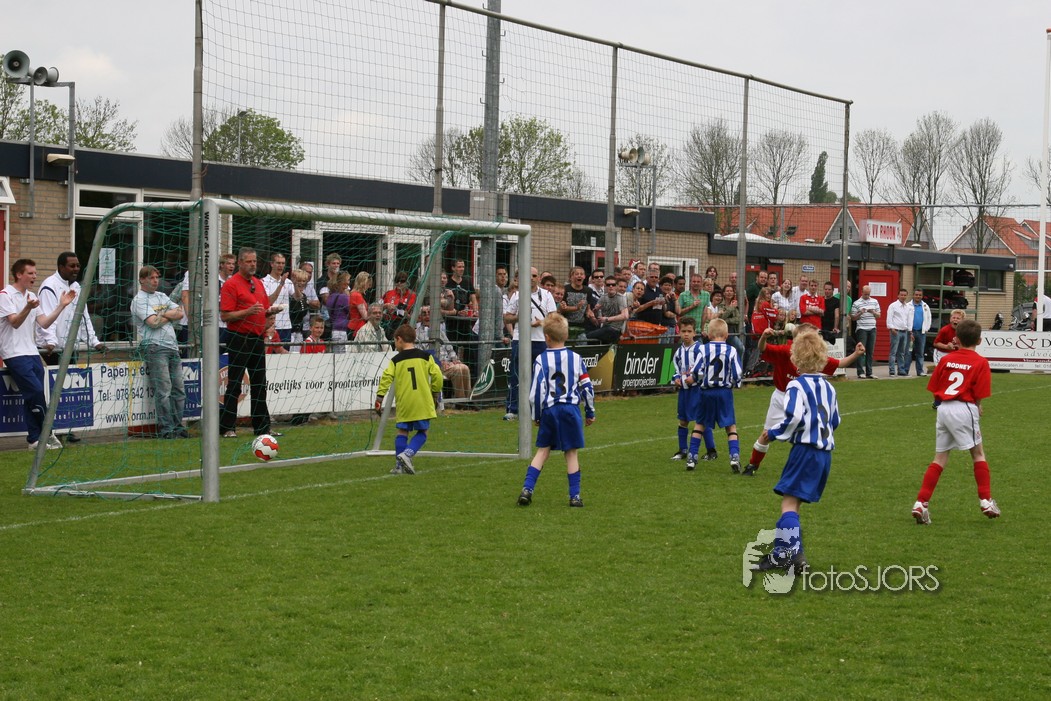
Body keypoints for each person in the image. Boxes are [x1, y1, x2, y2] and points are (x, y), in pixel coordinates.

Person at [751, 331, 841, 575]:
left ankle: (789, 555)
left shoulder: (796, 385)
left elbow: (794, 417)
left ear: (795, 358)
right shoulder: (829, 388)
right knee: (794, 503)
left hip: (805, 451)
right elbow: (835, 421)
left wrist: (774, 433)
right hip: (825, 454)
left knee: (788, 503)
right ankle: (788, 555)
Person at [911, 319, 1000, 525]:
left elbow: (935, 387)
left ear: (956, 339)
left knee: (940, 458)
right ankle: (986, 501)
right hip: (964, 407)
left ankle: (921, 503)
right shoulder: (980, 362)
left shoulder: (946, 360)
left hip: (944, 408)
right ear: (979, 340)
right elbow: (979, 392)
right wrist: (977, 406)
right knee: (978, 454)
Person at [742, 325, 863, 476]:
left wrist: (856, 354)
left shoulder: (814, 357)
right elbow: (763, 348)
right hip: (781, 397)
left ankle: (805, 463)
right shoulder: (786, 351)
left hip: (804, 397)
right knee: (766, 434)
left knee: (804, 434)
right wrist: (763, 337)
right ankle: (753, 464)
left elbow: (839, 364)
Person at [517, 313, 595, 508]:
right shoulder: (576, 358)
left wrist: (537, 415)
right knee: (571, 453)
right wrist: (590, 412)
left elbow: (536, 392)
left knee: (543, 450)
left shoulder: (541, 360)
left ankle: (527, 489)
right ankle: (575, 496)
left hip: (550, 410)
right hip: (570, 410)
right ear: (566, 335)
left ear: (547, 337)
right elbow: (587, 387)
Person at [0, 259, 76, 450]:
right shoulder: (5, 295)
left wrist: (61, 306)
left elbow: (44, 323)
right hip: (14, 353)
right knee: (35, 392)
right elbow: (14, 322)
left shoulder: (32, 296)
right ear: (19, 275)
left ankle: (34, 439)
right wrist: (28, 307)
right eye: (31, 273)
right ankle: (47, 432)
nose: (35, 276)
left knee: (33, 396)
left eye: (35, 273)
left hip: (32, 352)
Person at [219, 247, 280, 439]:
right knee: (235, 383)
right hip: (238, 338)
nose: (253, 264)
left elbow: (263, 309)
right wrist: (248, 312)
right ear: (240, 262)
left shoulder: (257, 283)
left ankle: (262, 427)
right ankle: (227, 427)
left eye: (255, 261)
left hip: (256, 338)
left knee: (260, 383)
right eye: (249, 261)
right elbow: (225, 315)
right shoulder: (231, 285)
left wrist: (271, 312)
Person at [375, 324, 444, 475]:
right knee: (423, 431)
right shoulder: (426, 356)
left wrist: (379, 397)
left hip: (404, 402)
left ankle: (398, 467)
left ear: (399, 339)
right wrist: (435, 392)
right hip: (422, 400)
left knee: (402, 431)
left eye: (395, 341)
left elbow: (386, 377)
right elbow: (437, 375)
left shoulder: (396, 360)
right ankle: (407, 454)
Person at [131, 265, 189, 439]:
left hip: (172, 346)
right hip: (155, 347)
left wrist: (163, 315)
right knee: (164, 390)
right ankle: (166, 429)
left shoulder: (162, 296)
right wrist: (168, 315)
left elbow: (180, 312)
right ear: (142, 280)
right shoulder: (139, 300)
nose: (155, 281)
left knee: (179, 390)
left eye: (157, 277)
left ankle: (178, 426)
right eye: (151, 278)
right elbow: (153, 323)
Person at [683, 318, 742, 471]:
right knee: (730, 426)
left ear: (709, 335)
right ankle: (734, 457)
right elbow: (737, 373)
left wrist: (696, 379)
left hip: (706, 392)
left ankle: (692, 457)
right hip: (724, 392)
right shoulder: (731, 350)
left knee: (700, 424)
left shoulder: (703, 349)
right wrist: (736, 383)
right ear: (727, 335)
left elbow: (697, 370)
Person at [503, 267, 556, 421]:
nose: (531, 278)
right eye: (529, 275)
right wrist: (519, 318)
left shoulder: (546, 295)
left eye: (534, 275)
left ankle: (539, 408)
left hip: (540, 340)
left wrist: (541, 322)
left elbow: (553, 318)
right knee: (516, 375)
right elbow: (507, 317)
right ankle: (513, 409)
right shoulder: (517, 295)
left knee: (540, 376)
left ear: (539, 278)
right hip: (520, 339)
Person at [37, 251, 105, 360]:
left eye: (78, 266)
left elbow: (83, 317)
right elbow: (47, 318)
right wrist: (51, 341)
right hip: (52, 348)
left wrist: (94, 342)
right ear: (61, 267)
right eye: (72, 266)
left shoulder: (76, 287)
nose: (76, 269)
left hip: (70, 347)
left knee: (72, 371)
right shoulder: (49, 286)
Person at [668, 317, 713, 464]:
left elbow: (706, 368)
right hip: (684, 391)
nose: (686, 334)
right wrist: (676, 378)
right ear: (679, 332)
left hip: (698, 390)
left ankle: (711, 450)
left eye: (689, 331)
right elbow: (676, 369)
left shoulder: (701, 349)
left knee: (701, 420)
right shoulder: (678, 352)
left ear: (694, 332)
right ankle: (683, 450)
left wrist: (695, 378)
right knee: (683, 420)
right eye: (683, 331)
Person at [416, 304, 471, 400]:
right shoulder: (417, 334)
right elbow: (422, 354)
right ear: (420, 317)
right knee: (458, 370)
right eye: (424, 314)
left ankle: (468, 399)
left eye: (429, 313)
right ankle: (461, 401)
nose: (427, 316)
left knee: (464, 367)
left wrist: (455, 359)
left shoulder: (439, 331)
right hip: (434, 365)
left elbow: (449, 348)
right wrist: (439, 362)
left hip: (448, 363)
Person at [584, 275, 629, 344]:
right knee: (590, 337)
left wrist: (607, 319)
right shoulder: (603, 297)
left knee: (586, 337)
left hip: (615, 329)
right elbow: (597, 317)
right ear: (605, 286)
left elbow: (625, 316)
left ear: (616, 286)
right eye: (608, 285)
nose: (611, 286)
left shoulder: (621, 298)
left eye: (613, 285)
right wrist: (595, 310)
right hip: (605, 328)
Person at [263, 252, 294, 344]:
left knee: (284, 352)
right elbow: (269, 301)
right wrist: (281, 284)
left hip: (286, 326)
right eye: (278, 263)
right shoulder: (264, 281)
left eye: (283, 263)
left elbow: (297, 298)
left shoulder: (288, 282)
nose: (281, 265)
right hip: (270, 326)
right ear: (272, 264)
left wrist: (296, 283)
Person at [850, 284, 880, 378]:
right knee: (861, 351)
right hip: (862, 329)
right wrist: (860, 312)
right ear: (862, 292)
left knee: (870, 351)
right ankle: (860, 372)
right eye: (865, 294)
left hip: (872, 328)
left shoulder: (874, 301)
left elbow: (879, 315)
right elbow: (853, 318)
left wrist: (873, 312)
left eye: (868, 294)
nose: (867, 296)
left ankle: (869, 372)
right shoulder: (856, 303)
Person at [562, 265, 599, 338]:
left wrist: (592, 316)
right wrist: (576, 307)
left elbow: (588, 309)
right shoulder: (565, 289)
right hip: (566, 325)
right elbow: (562, 308)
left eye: (581, 274)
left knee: (582, 343)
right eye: (576, 274)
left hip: (581, 326)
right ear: (571, 277)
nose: (579, 276)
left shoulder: (588, 291)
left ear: (584, 277)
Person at [885, 288, 911, 376]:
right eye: (901, 295)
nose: (903, 297)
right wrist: (891, 328)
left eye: (905, 295)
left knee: (901, 352)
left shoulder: (908, 307)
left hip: (904, 331)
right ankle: (892, 370)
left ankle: (901, 369)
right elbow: (889, 318)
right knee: (893, 351)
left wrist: (909, 330)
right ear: (898, 295)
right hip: (896, 331)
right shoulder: (893, 306)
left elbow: (908, 319)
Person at [382, 271, 416, 338]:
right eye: (397, 281)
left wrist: (406, 314)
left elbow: (416, 317)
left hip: (404, 326)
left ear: (407, 282)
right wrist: (385, 306)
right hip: (389, 325)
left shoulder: (412, 296)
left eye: (402, 281)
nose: (399, 283)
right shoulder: (388, 293)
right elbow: (377, 306)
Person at [907, 289, 933, 377]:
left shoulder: (925, 306)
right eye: (916, 295)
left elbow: (929, 317)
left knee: (920, 353)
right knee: (909, 352)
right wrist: (909, 330)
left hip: (921, 333)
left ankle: (920, 371)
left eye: (919, 295)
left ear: (922, 296)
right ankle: (905, 371)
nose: (918, 296)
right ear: (913, 295)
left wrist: (927, 328)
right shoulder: (908, 306)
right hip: (911, 332)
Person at [325, 272, 351, 353]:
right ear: (342, 282)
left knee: (336, 354)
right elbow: (351, 310)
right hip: (341, 331)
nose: (349, 282)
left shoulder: (331, 296)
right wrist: (348, 295)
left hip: (334, 330)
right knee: (342, 355)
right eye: (348, 280)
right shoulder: (343, 297)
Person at [347, 271, 372, 338]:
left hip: (355, 327)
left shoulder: (353, 293)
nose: (368, 286)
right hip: (357, 328)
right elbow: (365, 316)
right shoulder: (357, 295)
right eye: (368, 283)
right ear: (363, 283)